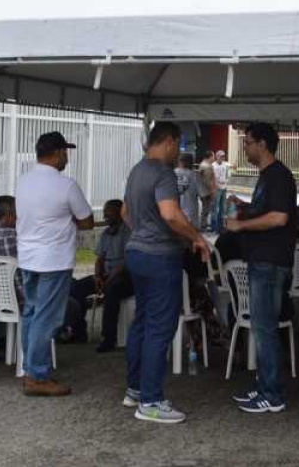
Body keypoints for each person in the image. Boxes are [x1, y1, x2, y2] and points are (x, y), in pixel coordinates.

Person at [123, 121, 211, 424]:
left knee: (143, 323)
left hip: (136, 252)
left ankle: (134, 389)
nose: (180, 151)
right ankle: (151, 401)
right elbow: (171, 214)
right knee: (160, 328)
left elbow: (125, 213)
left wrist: (144, 233)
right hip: (160, 258)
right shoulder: (163, 173)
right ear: (170, 142)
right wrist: (196, 237)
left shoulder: (137, 170)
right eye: (179, 145)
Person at [223, 122, 298, 413]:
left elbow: (279, 218)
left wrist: (241, 224)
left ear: (263, 144)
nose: (245, 148)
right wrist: (244, 206)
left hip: (270, 262)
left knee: (265, 328)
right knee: (262, 326)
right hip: (262, 260)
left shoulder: (278, 176)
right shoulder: (268, 176)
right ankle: (266, 385)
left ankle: (273, 394)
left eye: (248, 142)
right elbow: (269, 212)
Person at [14, 131, 95, 397]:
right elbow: (86, 220)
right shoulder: (66, 185)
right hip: (53, 260)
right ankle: (37, 376)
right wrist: (66, 221)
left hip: (28, 257)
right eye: (65, 152)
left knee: (32, 313)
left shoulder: (23, 181)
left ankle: (29, 369)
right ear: (58, 153)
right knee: (46, 318)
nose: (67, 158)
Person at [90, 199, 133, 352]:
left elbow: (127, 261)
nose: (105, 215)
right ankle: (75, 331)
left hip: (125, 276)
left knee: (111, 290)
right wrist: (97, 276)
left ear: (119, 213)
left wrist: (109, 278)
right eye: (105, 211)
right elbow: (99, 259)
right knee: (76, 287)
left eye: (108, 211)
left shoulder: (128, 232)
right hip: (107, 275)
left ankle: (108, 338)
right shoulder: (105, 234)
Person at [174, 154, 202, 232]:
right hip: (191, 211)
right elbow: (201, 193)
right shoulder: (195, 175)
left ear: (180, 162)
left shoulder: (172, 173)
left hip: (176, 211)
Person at [197, 151, 217, 231]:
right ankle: (203, 226)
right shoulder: (208, 166)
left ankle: (203, 224)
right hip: (206, 191)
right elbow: (209, 181)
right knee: (206, 210)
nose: (214, 158)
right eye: (213, 156)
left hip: (202, 190)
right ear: (210, 156)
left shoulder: (202, 164)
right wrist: (212, 191)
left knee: (205, 209)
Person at [212, 150, 231, 230]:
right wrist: (215, 187)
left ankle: (221, 224)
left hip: (224, 188)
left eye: (223, 156)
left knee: (223, 207)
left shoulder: (225, 164)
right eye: (221, 156)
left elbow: (230, 171)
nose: (222, 158)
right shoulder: (213, 165)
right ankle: (214, 226)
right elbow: (213, 178)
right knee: (215, 208)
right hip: (217, 188)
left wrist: (226, 181)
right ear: (216, 157)